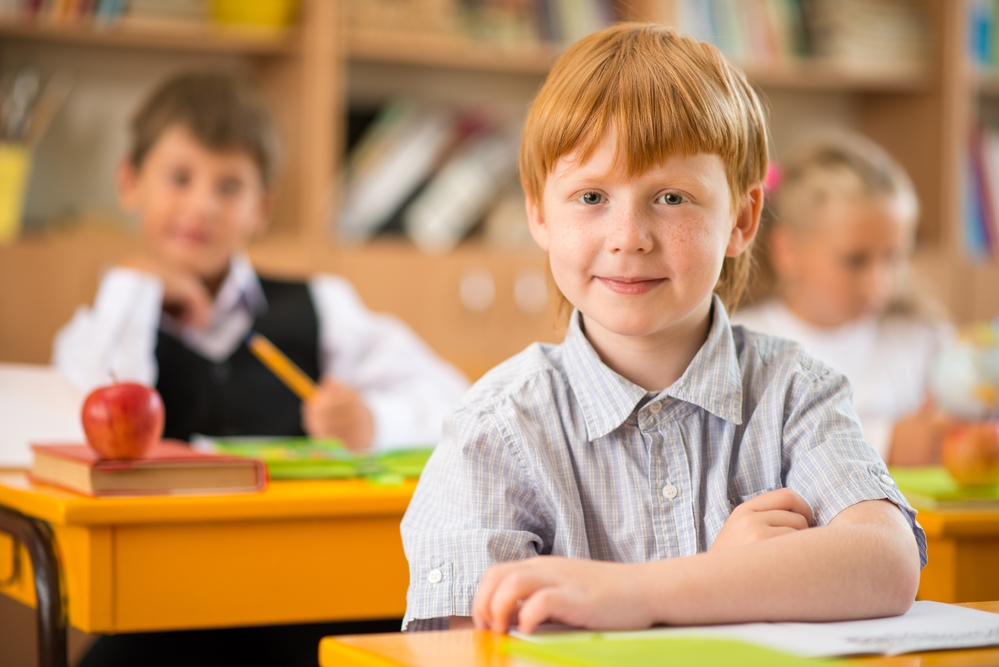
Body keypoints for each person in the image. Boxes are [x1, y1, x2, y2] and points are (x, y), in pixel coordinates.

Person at [400, 23, 925, 635]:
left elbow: (886, 563)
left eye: (672, 198)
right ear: (539, 214)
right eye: (591, 197)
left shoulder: (793, 391)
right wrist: (725, 579)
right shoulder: (496, 430)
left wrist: (639, 594)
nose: (629, 237)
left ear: (742, 219)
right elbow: (471, 648)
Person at [53, 71, 468, 452]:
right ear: (129, 183)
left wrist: (375, 422)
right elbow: (86, 425)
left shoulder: (323, 304)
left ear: (262, 208)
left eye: (230, 186)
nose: (202, 206)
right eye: (180, 178)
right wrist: (134, 285)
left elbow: (457, 402)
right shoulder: (103, 322)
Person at [733, 133, 951, 465]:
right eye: (856, 260)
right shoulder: (740, 346)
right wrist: (885, 444)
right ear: (787, 250)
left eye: (894, 257)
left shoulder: (922, 339)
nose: (880, 283)